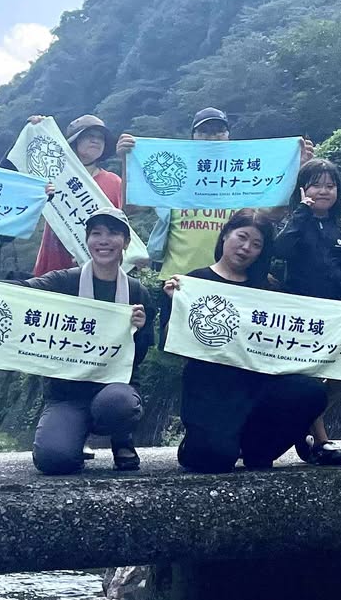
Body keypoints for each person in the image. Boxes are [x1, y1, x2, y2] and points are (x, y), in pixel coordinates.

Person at [163, 210, 325, 472]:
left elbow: (293, 336)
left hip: (259, 387)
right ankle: (197, 444)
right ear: (226, 234)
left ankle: (258, 449)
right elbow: (170, 344)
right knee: (214, 458)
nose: (246, 247)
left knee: (311, 392)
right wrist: (177, 305)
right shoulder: (193, 282)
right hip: (210, 389)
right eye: (242, 237)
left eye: (256, 244)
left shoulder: (269, 288)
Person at [16, 212, 152, 474]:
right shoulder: (64, 281)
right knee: (53, 459)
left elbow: (138, 357)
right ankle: (73, 437)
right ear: (87, 240)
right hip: (67, 394)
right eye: (96, 233)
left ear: (125, 242)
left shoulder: (136, 292)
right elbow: (20, 290)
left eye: (113, 233)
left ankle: (121, 438)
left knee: (120, 403)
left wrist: (141, 329)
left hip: (114, 389)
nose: (104, 240)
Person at [125, 109, 314, 277]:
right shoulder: (174, 177)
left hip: (230, 280)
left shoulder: (245, 179)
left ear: (228, 137)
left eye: (219, 131)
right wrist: (127, 159)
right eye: (204, 131)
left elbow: (273, 213)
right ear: (192, 138)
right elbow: (131, 208)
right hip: (178, 282)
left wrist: (296, 169)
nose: (212, 137)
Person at [266, 158, 341, 466]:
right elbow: (281, 250)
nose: (323, 191)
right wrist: (302, 213)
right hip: (299, 315)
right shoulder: (295, 224)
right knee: (307, 377)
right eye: (316, 185)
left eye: (330, 185)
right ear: (302, 190)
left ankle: (303, 425)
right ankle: (320, 440)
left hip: (336, 316)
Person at [29, 114, 127, 275]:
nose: (95, 141)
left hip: (97, 268)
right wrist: (36, 129)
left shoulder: (113, 182)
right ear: (75, 141)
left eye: (100, 138)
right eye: (89, 136)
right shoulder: (53, 174)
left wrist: (126, 161)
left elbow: (125, 217)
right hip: (53, 262)